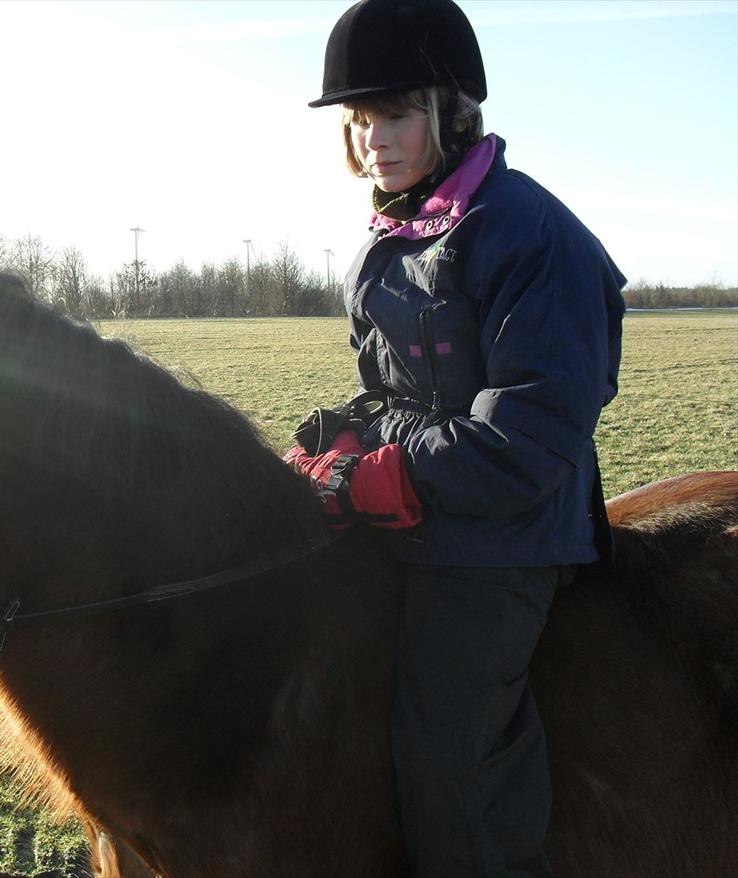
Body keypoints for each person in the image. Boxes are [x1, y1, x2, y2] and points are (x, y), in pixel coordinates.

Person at [285, 0, 627, 875]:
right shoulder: (391, 236)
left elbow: (527, 442)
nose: (373, 141)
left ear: (451, 111)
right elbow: (392, 393)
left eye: (394, 114)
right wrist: (341, 436)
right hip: (424, 510)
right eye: (360, 122)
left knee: (447, 754)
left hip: (504, 539)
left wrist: (381, 476)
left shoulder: (534, 235)